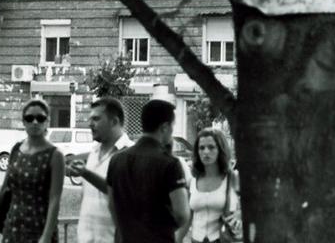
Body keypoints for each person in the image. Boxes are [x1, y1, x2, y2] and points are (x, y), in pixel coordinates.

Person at [0, 99, 65, 243]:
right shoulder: (16, 149)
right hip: (13, 227)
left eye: (40, 118)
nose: (35, 122)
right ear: (23, 122)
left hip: (40, 229)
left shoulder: (55, 155)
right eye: (30, 118)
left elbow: (55, 199)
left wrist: (47, 236)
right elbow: (5, 188)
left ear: (47, 121)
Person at [106, 100, 190, 243]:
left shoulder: (116, 160)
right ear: (164, 127)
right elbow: (182, 214)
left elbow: (112, 204)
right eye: (172, 127)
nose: (171, 132)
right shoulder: (170, 164)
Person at [66, 97, 135, 243]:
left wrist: (85, 173)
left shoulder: (130, 154)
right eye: (90, 119)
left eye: (96, 119)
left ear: (114, 122)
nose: (90, 124)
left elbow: (121, 193)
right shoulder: (94, 152)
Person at [178, 128, 240, 243]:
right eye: (201, 148)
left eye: (211, 147)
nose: (206, 152)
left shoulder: (232, 178)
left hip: (222, 239)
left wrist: (239, 214)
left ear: (220, 150)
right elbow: (188, 218)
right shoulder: (193, 180)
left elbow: (255, 202)